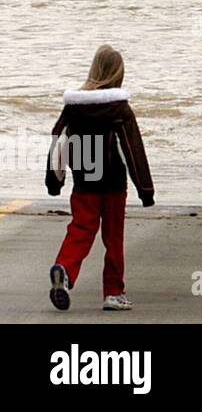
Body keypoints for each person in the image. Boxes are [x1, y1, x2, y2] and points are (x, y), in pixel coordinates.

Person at [45, 45, 154, 311]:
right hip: (114, 185)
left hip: (84, 183)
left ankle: (65, 269)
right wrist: (145, 189)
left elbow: (58, 141)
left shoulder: (74, 108)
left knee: (81, 229)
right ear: (119, 73)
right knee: (113, 237)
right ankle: (113, 292)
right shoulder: (119, 109)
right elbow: (132, 149)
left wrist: (54, 181)